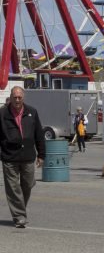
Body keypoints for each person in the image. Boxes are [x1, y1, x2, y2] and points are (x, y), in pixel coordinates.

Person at [0, 86, 45, 228]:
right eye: (15, 97)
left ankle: (19, 209)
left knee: (28, 184)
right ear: (11, 97)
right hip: (9, 156)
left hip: (28, 156)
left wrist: (41, 154)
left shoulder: (32, 112)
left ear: (23, 97)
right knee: (13, 188)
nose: (17, 100)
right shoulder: (2, 113)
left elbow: (39, 134)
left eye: (20, 97)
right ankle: (19, 216)